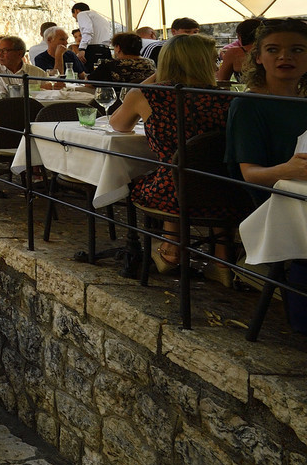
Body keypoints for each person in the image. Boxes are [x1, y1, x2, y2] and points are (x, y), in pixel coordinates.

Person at [110, 34, 230, 273]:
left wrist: (156, 77)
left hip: (170, 190)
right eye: (213, 60)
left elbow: (118, 125)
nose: (217, 66)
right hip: (226, 188)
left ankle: (171, 249)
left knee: (159, 174)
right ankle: (222, 258)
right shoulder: (227, 97)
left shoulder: (148, 94)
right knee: (202, 170)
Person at [226, 19, 307, 328]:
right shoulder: (248, 105)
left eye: (297, 50)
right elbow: (250, 175)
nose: (285, 56)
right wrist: (288, 169)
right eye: (273, 50)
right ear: (258, 57)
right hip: (273, 200)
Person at [93, 32, 157, 87]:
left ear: (118, 48)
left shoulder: (109, 65)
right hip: (145, 96)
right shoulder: (150, 63)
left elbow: (90, 83)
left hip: (116, 97)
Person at [73, 3, 123, 72]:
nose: (76, 20)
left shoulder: (81, 14)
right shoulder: (101, 19)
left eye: (75, 17)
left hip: (93, 50)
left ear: (76, 11)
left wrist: (82, 49)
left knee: (90, 74)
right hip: (105, 50)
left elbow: (87, 31)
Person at [217, 17, 262, 85]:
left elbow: (221, 81)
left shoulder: (234, 53)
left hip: (246, 91)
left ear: (239, 36)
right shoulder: (270, 52)